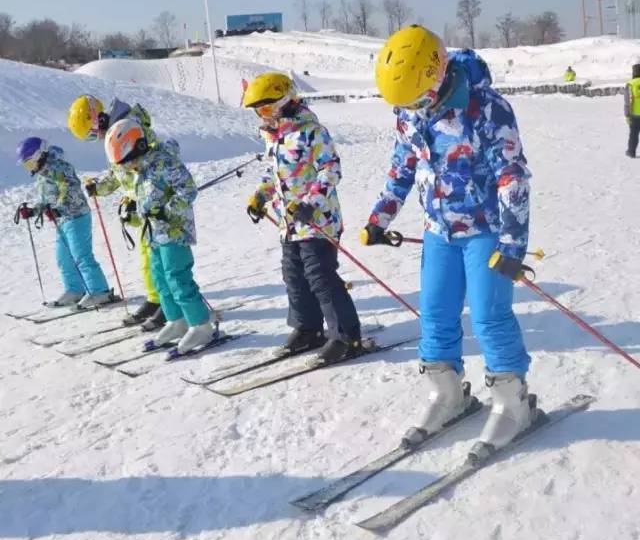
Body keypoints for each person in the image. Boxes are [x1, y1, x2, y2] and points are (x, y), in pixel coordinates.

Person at [361, 25, 533, 450]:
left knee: (489, 317)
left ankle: (513, 402)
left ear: (436, 78)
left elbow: (511, 176)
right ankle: (447, 392)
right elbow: (402, 165)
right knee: (435, 314)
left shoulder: (486, 109)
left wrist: (512, 246)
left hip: (486, 230)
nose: (413, 112)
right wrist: (379, 217)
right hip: (438, 230)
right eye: (404, 106)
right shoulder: (410, 112)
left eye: (417, 101)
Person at [243, 72, 361, 362]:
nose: (263, 115)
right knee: (293, 276)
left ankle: (346, 336)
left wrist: (311, 202)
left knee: (319, 275)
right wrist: (260, 197)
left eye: (268, 108)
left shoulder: (312, 132)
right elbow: (273, 174)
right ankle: (308, 329)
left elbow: (330, 170)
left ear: (286, 101)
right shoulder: (274, 138)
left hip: (317, 221)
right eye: (259, 110)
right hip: (289, 224)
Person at [104, 119, 214, 354]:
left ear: (140, 147)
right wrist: (134, 215)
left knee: (177, 277)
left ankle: (201, 325)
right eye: (125, 164)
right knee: (159, 279)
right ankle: (177, 321)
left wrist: (166, 209)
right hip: (154, 234)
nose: (129, 167)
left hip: (174, 231)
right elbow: (148, 202)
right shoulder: (141, 170)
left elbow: (188, 190)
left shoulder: (164, 162)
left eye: (130, 160)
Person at [68, 94, 164, 329]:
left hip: (155, 205)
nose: (96, 138)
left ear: (97, 119)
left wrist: (141, 197)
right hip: (141, 206)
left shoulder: (131, 128)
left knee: (160, 258)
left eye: (92, 133)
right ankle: (154, 300)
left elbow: (151, 165)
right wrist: (99, 187)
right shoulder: (115, 131)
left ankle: (168, 304)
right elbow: (120, 172)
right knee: (147, 259)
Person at [16, 137, 113, 309]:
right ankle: (75, 290)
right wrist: (33, 210)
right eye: (26, 166)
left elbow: (72, 191)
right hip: (62, 220)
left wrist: (58, 209)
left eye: (30, 163)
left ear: (40, 155)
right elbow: (47, 199)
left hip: (76, 216)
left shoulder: (60, 168)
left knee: (82, 256)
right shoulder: (42, 174)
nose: (30, 168)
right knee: (63, 259)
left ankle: (100, 291)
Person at [624, 63, 640, 158]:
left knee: (633, 135)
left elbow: (627, 102)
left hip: (634, 115)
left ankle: (631, 152)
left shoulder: (630, 84)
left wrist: (627, 115)